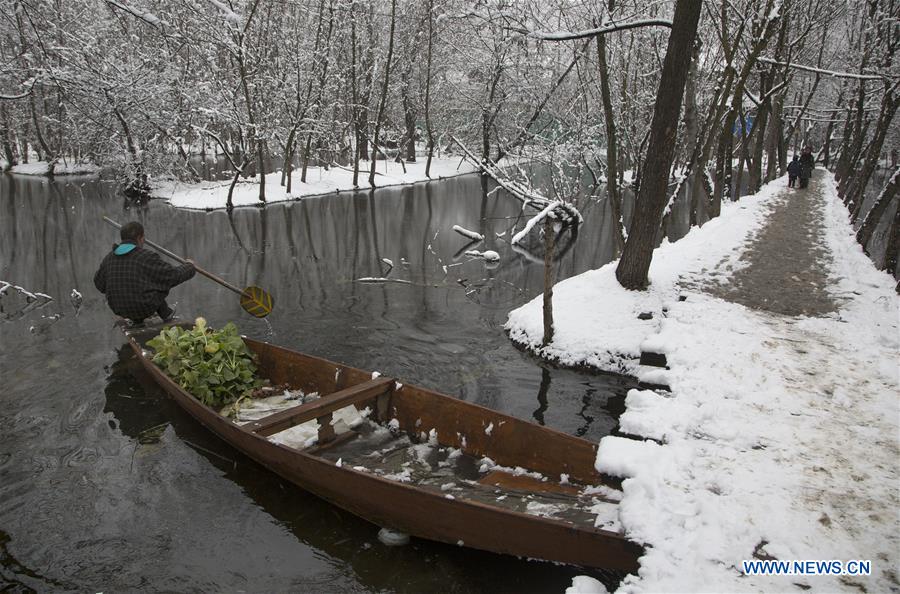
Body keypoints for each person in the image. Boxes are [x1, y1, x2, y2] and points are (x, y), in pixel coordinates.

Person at [94, 221, 195, 324]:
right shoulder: (146, 256)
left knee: (138, 285)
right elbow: (172, 276)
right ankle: (166, 313)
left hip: (118, 309)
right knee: (159, 283)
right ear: (139, 238)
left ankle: (137, 320)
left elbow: (99, 284)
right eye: (143, 238)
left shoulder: (109, 258)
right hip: (143, 308)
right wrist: (189, 267)